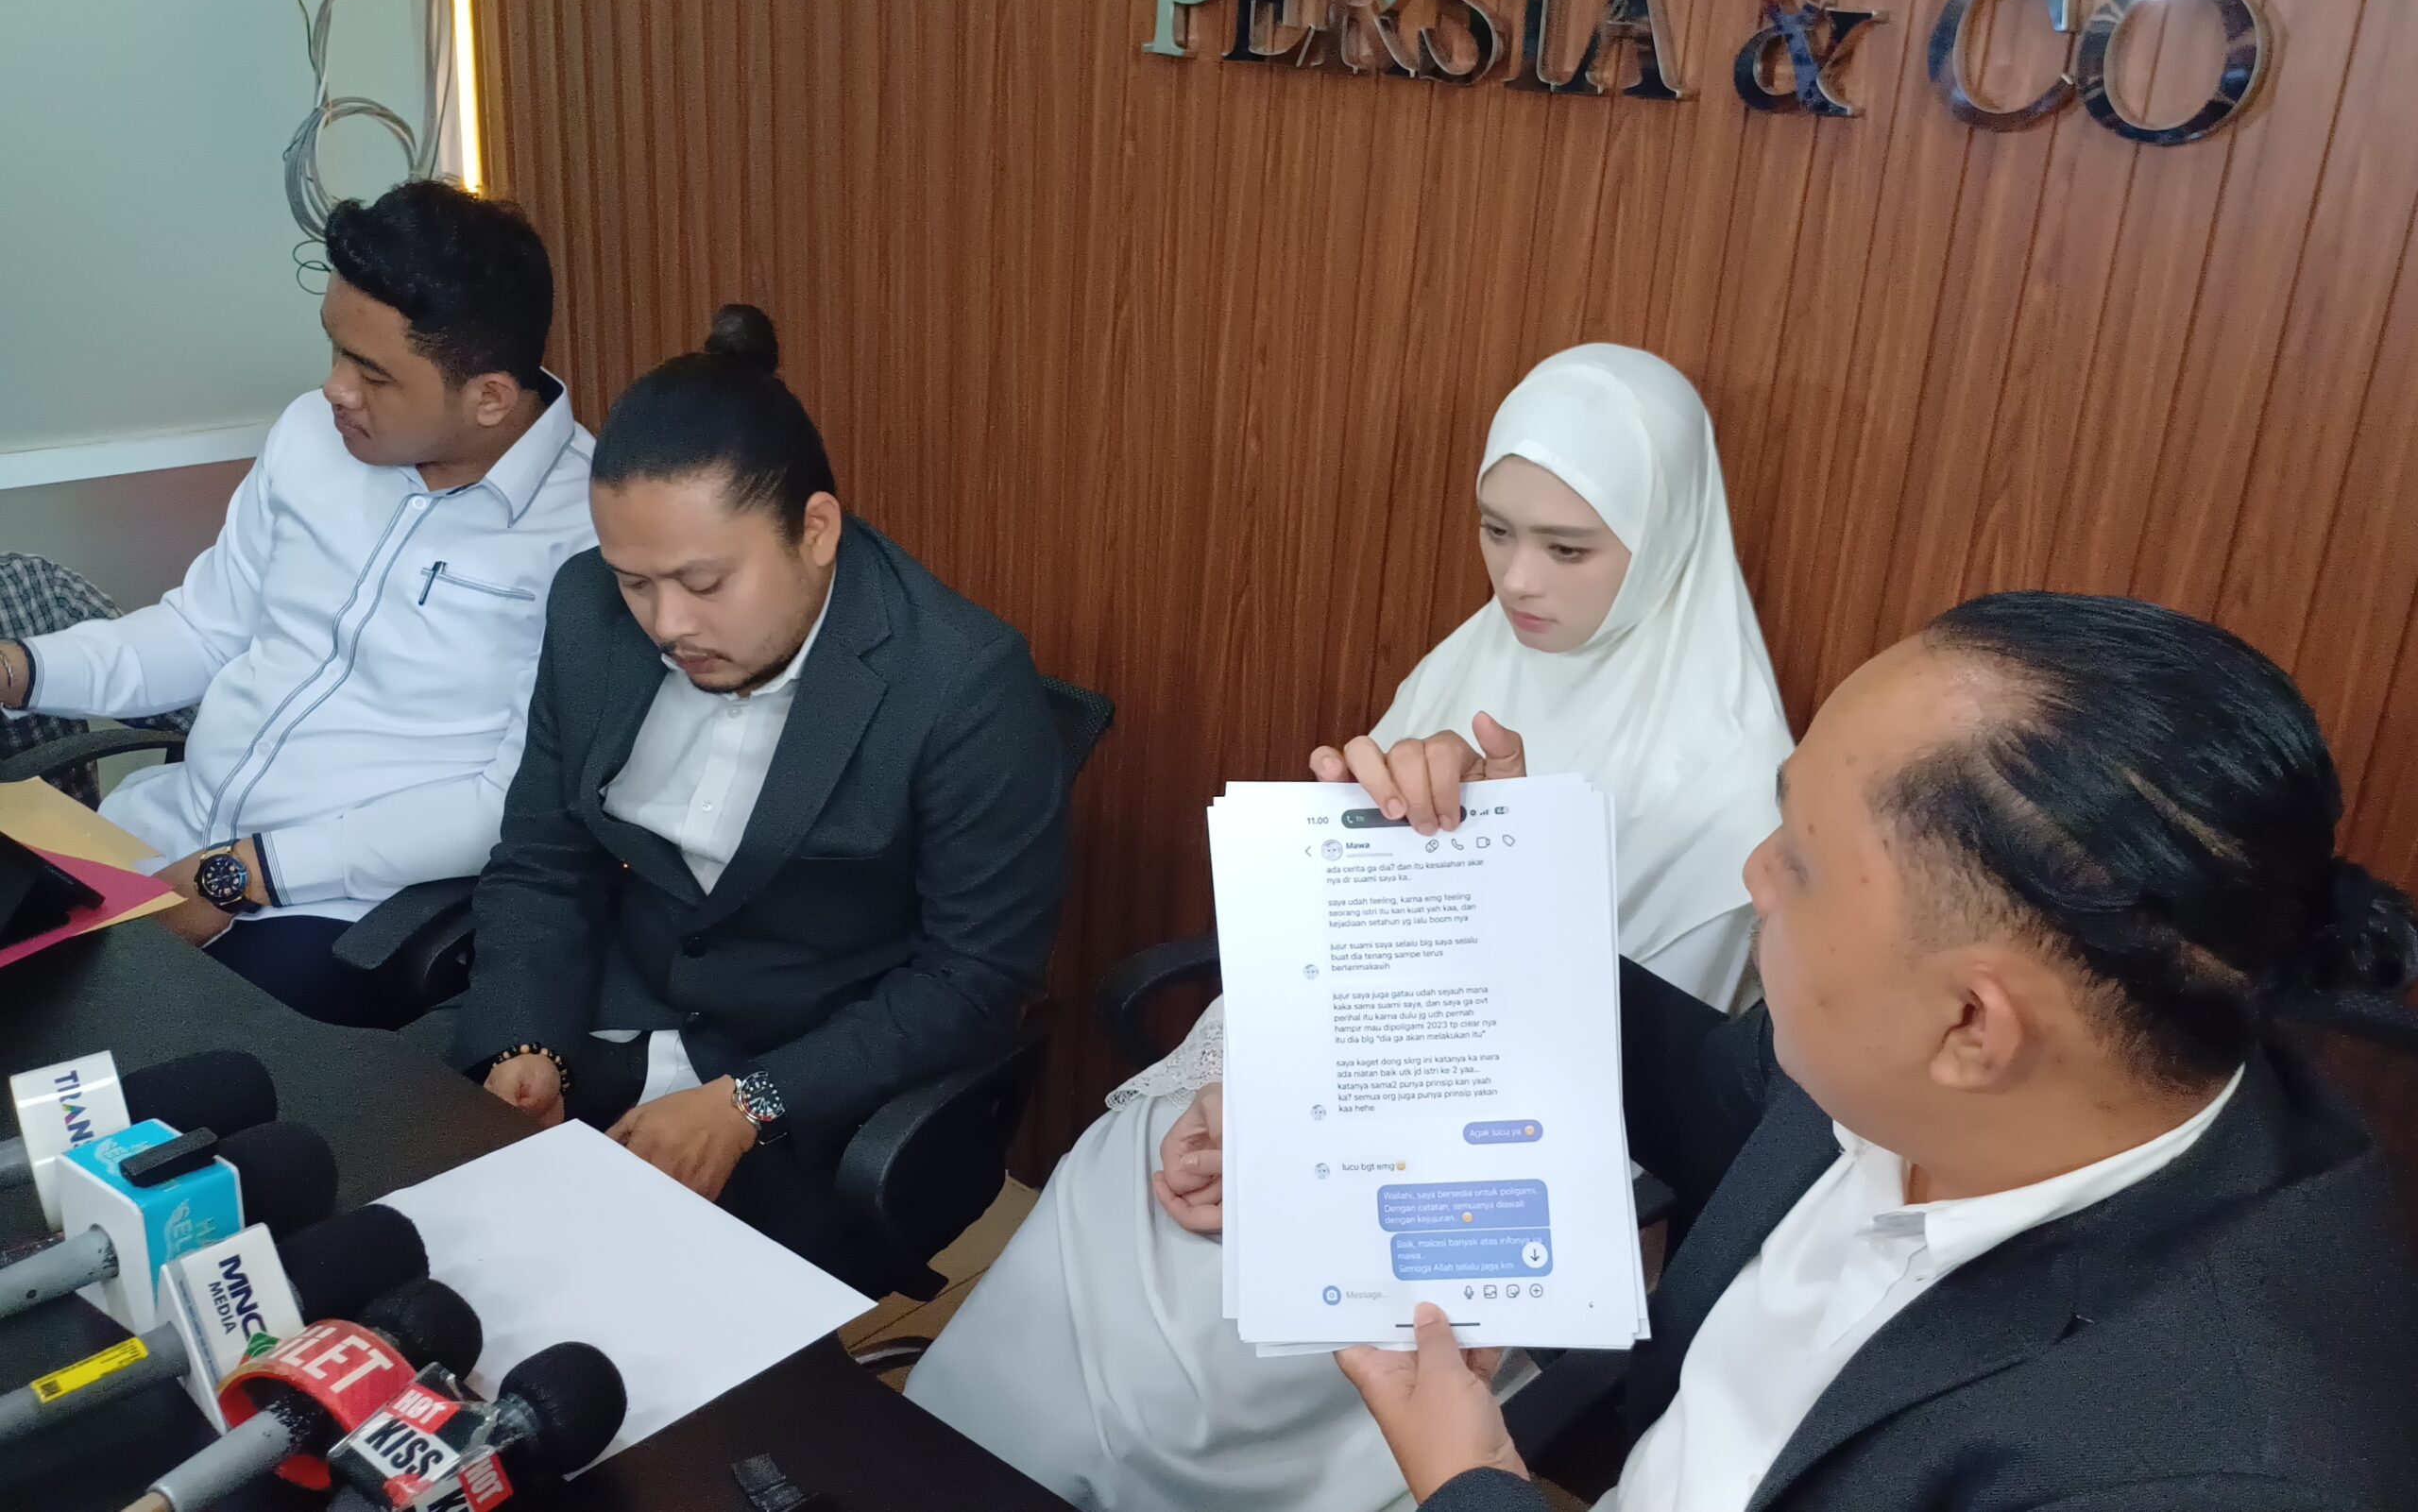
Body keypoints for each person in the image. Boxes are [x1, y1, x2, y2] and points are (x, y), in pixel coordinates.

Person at [908, 345, 1793, 1511]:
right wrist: (1238, 1095)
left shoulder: (1726, 790)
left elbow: (1600, 1102)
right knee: (1109, 1186)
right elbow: (1338, 933)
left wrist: (1306, 1158)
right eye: (1495, 529)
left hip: (1478, 1182)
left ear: (1666, 537)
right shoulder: (1476, 658)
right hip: (1351, 1076)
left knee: (1178, 1375)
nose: (1517, 578)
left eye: (1567, 548)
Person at [1338, 592, 2418, 1512]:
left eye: (1801, 865)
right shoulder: (1922, 1058)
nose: (1755, 873)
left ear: (1970, 1027)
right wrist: (1495, 893)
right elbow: (1715, 1103)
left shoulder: (2200, 1470)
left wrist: (1471, 1483)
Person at [442, 305, 1069, 1286]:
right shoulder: (587, 610)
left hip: (812, 1084)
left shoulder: (961, 684)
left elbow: (972, 980)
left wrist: (750, 1102)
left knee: (646, 1329)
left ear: (815, 530)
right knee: (413, 1232)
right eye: (635, 582)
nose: (666, 624)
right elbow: (543, 858)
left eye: (703, 583)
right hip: (602, 1017)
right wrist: (524, 1040)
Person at [0, 180, 592, 1026]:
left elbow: (503, 802)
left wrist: (243, 874)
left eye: (372, 373)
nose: (334, 390)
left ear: (490, 397)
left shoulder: (588, 536)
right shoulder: (313, 438)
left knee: (128, 1048)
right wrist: (19, 670)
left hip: (338, 906)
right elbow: (203, 630)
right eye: (336, 350)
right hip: (166, 831)